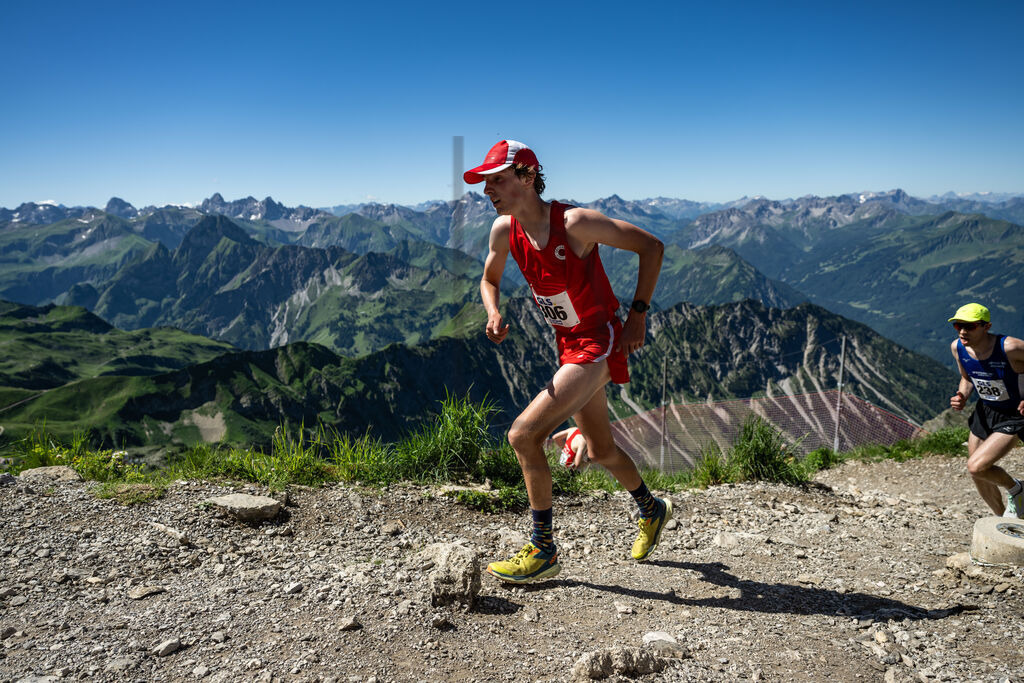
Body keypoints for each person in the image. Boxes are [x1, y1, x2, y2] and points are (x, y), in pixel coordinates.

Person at [467, 139, 672, 583]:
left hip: (599, 342)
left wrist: (637, 316)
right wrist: (493, 311)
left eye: (497, 179)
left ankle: (543, 549)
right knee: (601, 450)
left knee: (523, 435)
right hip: (568, 344)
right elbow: (489, 278)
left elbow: (652, 247)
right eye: (485, 182)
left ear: (527, 176)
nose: (487, 190)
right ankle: (652, 509)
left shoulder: (574, 223)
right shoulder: (504, 230)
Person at [948, 303, 1024, 518]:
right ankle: (1002, 519)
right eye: (958, 325)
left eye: (970, 326)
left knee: (976, 467)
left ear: (986, 327)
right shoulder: (958, 348)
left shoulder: (1010, 347)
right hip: (986, 411)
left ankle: (1017, 489)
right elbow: (967, 377)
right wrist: (963, 396)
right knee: (979, 474)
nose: (963, 331)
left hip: (1014, 414)